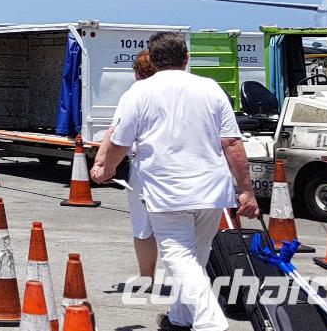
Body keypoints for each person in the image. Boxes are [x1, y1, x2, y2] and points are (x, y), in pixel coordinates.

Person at [91, 32, 256, 331]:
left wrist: (105, 169)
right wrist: (246, 190)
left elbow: (119, 141)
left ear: (152, 60)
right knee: (196, 257)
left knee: (179, 258)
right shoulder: (211, 88)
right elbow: (232, 142)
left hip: (167, 192)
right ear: (186, 58)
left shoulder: (139, 93)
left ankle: (211, 323)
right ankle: (181, 318)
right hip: (211, 191)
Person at [94, 50, 161, 289]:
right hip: (191, 170)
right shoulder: (191, 90)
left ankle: (147, 279)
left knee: (144, 226)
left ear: (136, 73)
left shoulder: (135, 94)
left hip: (146, 168)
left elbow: (116, 133)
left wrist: (102, 166)